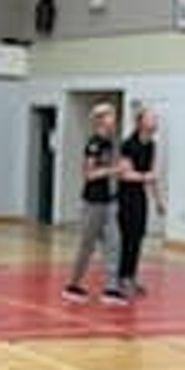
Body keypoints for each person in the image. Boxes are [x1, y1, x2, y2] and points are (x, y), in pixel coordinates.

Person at [63, 102, 128, 305]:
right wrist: (114, 171)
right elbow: (88, 174)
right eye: (110, 116)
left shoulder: (110, 143)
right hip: (93, 203)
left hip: (109, 202)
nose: (114, 120)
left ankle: (111, 289)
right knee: (87, 246)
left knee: (114, 243)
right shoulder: (94, 143)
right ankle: (73, 285)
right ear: (100, 120)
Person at [117, 107, 166, 296]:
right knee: (127, 237)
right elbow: (125, 175)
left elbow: (151, 175)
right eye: (151, 117)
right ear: (140, 122)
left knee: (138, 237)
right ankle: (121, 277)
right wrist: (145, 177)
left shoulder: (151, 145)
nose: (155, 121)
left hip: (140, 196)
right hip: (126, 196)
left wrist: (158, 200)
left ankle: (131, 276)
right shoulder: (128, 144)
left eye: (156, 118)